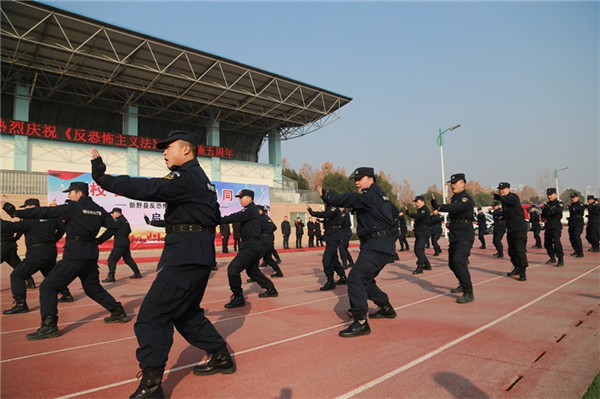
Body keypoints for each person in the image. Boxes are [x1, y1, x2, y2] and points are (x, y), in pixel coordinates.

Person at [91, 131, 235, 398]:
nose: (164, 153)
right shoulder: (203, 182)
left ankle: (152, 385)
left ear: (187, 151)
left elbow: (150, 187)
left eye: (168, 148)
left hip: (184, 256)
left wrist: (104, 180)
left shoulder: (185, 176)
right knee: (185, 313)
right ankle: (221, 356)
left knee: (152, 316)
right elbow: (204, 216)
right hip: (197, 254)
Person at [2, 182, 129, 341]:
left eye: (71, 193)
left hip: (75, 253)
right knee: (92, 288)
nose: (68, 195)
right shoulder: (98, 209)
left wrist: (16, 213)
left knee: (48, 286)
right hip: (90, 254)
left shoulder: (73, 207)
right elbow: (113, 227)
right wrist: (98, 240)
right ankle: (118, 311)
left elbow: (46, 212)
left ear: (79, 193)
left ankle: (49, 325)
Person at [318, 167, 397, 338]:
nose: (357, 182)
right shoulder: (381, 196)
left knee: (355, 278)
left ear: (371, 179)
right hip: (377, 244)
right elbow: (396, 215)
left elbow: (351, 198)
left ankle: (360, 321)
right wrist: (391, 238)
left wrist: (329, 196)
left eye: (360, 179)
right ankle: (385, 307)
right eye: (355, 180)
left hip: (377, 245)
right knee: (365, 281)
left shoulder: (370, 194)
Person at [2, 198, 74, 314]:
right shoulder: (51, 217)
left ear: (31, 207)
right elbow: (62, 228)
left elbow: (11, 227)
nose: (24, 210)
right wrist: (53, 240)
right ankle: (66, 294)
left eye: (25, 207)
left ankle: (21, 304)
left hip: (36, 253)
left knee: (17, 275)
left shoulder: (29, 220)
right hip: (50, 251)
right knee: (51, 274)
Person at [220, 189, 278, 309]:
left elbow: (234, 217)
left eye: (241, 197)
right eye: (239, 197)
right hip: (252, 245)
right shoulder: (250, 210)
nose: (239, 199)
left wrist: (218, 220)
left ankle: (238, 297)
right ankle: (271, 289)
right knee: (252, 271)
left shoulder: (250, 210)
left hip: (250, 246)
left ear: (249, 198)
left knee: (233, 269)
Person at [431, 173, 475, 304]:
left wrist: (439, 207)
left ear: (463, 184)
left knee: (459, 261)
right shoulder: (454, 198)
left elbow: (456, 208)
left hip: (465, 235)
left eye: (455, 183)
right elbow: (453, 208)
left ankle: (468, 292)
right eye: (451, 183)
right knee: (452, 263)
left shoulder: (465, 198)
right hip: (455, 234)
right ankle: (462, 283)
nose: (452, 185)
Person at [307, 204, 348, 290]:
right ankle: (343, 277)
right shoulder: (330, 208)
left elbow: (327, 214)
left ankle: (330, 281)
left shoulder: (334, 208)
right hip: (330, 236)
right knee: (333, 258)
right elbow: (328, 221)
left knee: (327, 258)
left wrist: (313, 213)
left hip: (334, 236)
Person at [494, 182, 528, 281]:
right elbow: (508, 212)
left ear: (509, 189)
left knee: (519, 249)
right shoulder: (504, 201)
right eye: (500, 189)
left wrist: (500, 198)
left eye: (503, 189)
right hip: (511, 227)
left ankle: (522, 272)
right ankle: (517, 267)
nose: (501, 191)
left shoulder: (513, 197)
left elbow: (509, 200)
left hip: (519, 227)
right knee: (511, 251)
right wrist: (502, 216)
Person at [102, 208, 142, 282]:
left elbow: (111, 227)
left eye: (113, 213)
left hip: (120, 243)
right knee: (128, 259)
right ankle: (137, 273)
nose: (112, 215)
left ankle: (111, 276)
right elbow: (129, 230)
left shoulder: (118, 221)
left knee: (111, 259)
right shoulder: (125, 220)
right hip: (125, 242)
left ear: (117, 213)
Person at [0, 221, 36, 288]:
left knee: (18, 266)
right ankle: (30, 282)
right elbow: (21, 228)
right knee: (18, 266)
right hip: (11, 248)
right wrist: (16, 238)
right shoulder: (8, 224)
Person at [405, 196, 431, 274]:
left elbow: (418, 216)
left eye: (417, 202)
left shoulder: (424, 210)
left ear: (422, 201)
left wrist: (409, 213)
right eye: (415, 202)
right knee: (418, 250)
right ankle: (427, 264)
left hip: (423, 232)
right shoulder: (420, 210)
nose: (416, 204)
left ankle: (420, 267)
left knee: (419, 249)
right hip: (419, 233)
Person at [257, 205, 283, 277]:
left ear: (260, 211)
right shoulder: (267, 217)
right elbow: (274, 227)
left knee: (255, 258)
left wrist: (264, 233)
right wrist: (269, 232)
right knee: (268, 258)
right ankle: (278, 272)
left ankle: (255, 275)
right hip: (269, 239)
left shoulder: (260, 218)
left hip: (264, 240)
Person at [541, 187, 565, 266]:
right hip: (548, 226)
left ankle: (560, 259)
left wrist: (550, 208)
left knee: (557, 243)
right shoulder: (546, 205)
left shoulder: (559, 204)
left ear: (555, 194)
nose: (549, 196)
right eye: (548, 195)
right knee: (547, 244)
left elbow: (558, 211)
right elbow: (543, 215)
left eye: (551, 195)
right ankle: (552, 258)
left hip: (556, 226)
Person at [567, 193, 585, 258]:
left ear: (577, 197)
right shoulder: (571, 205)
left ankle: (580, 252)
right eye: (572, 198)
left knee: (576, 235)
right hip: (572, 222)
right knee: (571, 237)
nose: (572, 199)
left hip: (578, 222)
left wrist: (572, 207)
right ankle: (576, 250)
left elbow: (576, 209)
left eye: (574, 197)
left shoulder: (581, 204)